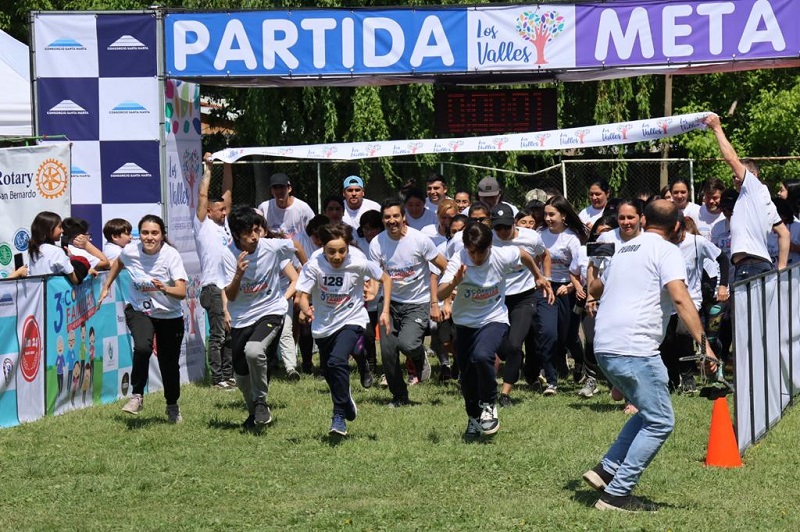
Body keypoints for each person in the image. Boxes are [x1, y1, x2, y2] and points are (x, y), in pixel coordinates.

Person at [583, 199, 717, 512]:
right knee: (660, 421)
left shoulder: (625, 248)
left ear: (644, 221)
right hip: (634, 347)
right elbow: (681, 298)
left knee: (648, 410)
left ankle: (607, 470)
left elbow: (599, 289)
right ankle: (617, 493)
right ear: (677, 228)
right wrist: (705, 346)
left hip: (604, 344)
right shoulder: (668, 250)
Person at [438, 222, 550, 439]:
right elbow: (441, 294)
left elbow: (524, 254)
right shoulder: (458, 260)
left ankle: (489, 404)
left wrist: (538, 275)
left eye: (481, 252)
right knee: (467, 376)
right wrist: (455, 282)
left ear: (490, 246)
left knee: (483, 356)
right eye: (472, 252)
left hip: (494, 319)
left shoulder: (501, 255)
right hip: (464, 325)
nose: (477, 258)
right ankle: (473, 418)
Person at [296, 222, 392, 435]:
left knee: (337, 360)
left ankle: (338, 416)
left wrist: (384, 310)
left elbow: (384, 278)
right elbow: (301, 295)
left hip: (353, 319)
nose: (337, 256)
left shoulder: (358, 261)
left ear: (349, 247)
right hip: (323, 325)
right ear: (322, 249)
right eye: (331, 252)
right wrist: (306, 309)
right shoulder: (314, 265)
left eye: (342, 251)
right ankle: (346, 400)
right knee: (330, 372)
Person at [99, 215, 187, 423]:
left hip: (169, 314)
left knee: (168, 364)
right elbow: (118, 263)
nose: (149, 237)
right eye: (145, 233)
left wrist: (165, 288)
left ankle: (172, 405)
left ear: (162, 235)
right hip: (140, 310)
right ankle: (137, 395)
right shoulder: (130, 251)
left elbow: (182, 292)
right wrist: (106, 287)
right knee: (142, 348)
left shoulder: (171, 256)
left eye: (154, 233)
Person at [221, 205, 302, 428]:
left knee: (254, 351)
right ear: (236, 234)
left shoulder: (271, 246)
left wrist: (309, 269)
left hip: (272, 311)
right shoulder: (227, 255)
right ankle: (254, 412)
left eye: (257, 230)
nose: (254, 236)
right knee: (240, 377)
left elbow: (295, 246)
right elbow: (231, 294)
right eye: (248, 232)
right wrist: (238, 274)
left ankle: (261, 401)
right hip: (241, 318)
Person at [369, 198, 448, 407]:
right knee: (387, 352)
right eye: (387, 217)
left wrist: (441, 298)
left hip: (417, 303)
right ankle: (400, 396)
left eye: (396, 216)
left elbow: (443, 265)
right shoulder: (377, 243)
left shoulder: (419, 240)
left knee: (408, 344)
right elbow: (378, 277)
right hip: (390, 304)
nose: (392, 220)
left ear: (403, 217)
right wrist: (371, 292)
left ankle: (419, 355)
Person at [704, 113, 789, 280]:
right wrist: (781, 268)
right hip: (758, 266)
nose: (735, 178)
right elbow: (784, 233)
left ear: (754, 175)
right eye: (733, 176)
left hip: (750, 267)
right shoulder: (765, 201)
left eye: (739, 174)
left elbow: (731, 159)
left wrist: (717, 128)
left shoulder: (753, 187)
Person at [491, 202, 553, 406]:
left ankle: (505, 393)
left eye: (505, 227)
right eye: (497, 227)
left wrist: (545, 278)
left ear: (514, 224)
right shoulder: (488, 238)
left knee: (515, 344)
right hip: (497, 299)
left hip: (525, 297)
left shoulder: (530, 237)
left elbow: (544, 255)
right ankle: (514, 362)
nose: (501, 232)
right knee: (503, 348)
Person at [539, 195, 588, 394]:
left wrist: (569, 286)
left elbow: (581, 269)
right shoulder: (539, 234)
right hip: (547, 288)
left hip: (569, 290)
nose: (548, 218)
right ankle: (551, 380)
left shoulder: (571, 238)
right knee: (549, 333)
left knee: (569, 337)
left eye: (552, 214)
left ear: (564, 215)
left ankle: (580, 361)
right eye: (546, 214)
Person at [195, 153, 235, 390]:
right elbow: (202, 196)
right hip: (212, 287)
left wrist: (228, 163)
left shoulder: (226, 225)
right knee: (219, 334)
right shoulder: (202, 225)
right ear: (209, 211)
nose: (224, 212)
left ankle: (228, 376)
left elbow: (227, 193)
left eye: (224, 209)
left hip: (229, 287)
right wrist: (209, 169)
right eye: (219, 209)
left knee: (230, 334)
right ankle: (217, 378)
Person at [10, 211, 79, 284]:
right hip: (53, 294)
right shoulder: (57, 251)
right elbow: (75, 280)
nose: (62, 230)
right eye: (59, 227)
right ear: (49, 229)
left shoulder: (34, 250)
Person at [257, 173, 315, 240]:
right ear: (271, 191)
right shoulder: (264, 208)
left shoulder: (302, 208)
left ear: (289, 188)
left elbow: (314, 230)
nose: (279, 191)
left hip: (297, 248)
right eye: (275, 188)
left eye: (282, 187)